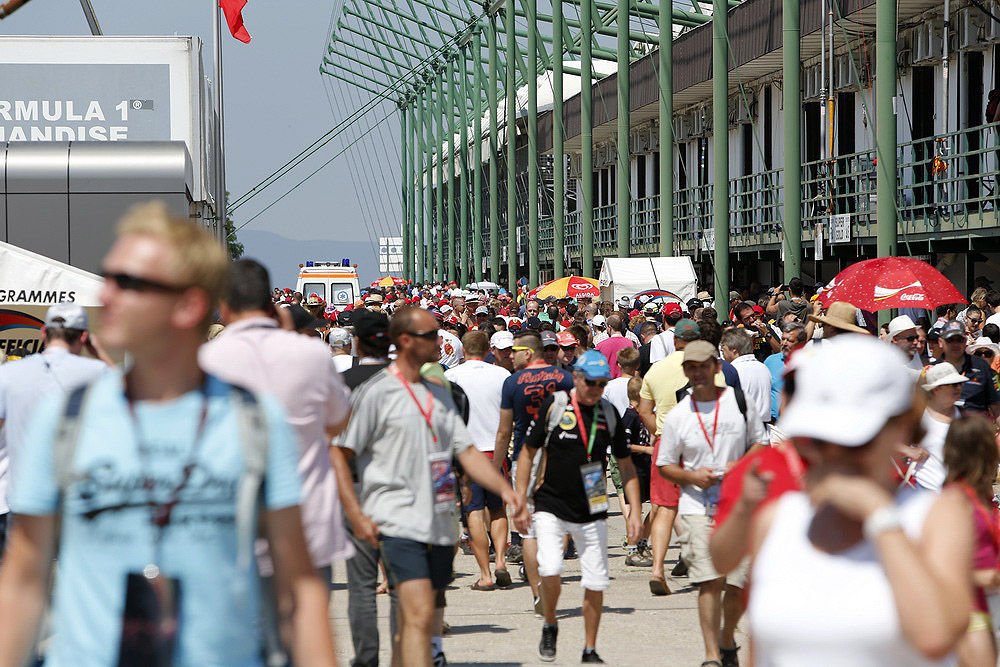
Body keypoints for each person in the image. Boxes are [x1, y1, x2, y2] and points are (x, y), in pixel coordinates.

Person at [0, 202, 336, 665]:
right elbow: (22, 580)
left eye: (128, 283)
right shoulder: (64, 421)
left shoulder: (253, 421)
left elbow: (299, 585)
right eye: (108, 275)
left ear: (189, 304)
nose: (108, 295)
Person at [748, 335, 973, 665]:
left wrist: (880, 516)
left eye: (854, 441)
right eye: (819, 439)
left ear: (901, 429)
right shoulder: (777, 520)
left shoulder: (937, 516)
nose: (834, 454)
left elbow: (936, 636)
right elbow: (760, 650)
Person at [334, 306, 524, 667]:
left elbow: (465, 452)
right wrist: (355, 514)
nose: (440, 341)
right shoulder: (376, 393)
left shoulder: (440, 393)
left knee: (422, 619)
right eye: (430, 335)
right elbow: (339, 455)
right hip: (396, 521)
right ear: (405, 341)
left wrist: (508, 491)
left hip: (439, 523)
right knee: (419, 613)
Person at [201, 258, 355, 666]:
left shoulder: (207, 362)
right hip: (309, 523)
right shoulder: (311, 354)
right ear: (271, 303)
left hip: (236, 529)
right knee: (307, 637)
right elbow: (339, 420)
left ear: (224, 305)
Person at [515, 351, 642, 664]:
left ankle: (589, 648)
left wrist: (635, 513)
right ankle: (550, 623)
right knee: (550, 568)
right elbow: (528, 454)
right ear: (577, 378)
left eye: (602, 384)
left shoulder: (608, 412)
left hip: (593, 502)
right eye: (591, 382)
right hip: (550, 502)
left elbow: (626, 468)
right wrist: (520, 497)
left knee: (596, 581)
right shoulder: (556, 405)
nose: (596, 389)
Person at [657, 341, 768, 667]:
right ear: (686, 372)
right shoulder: (679, 415)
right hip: (697, 507)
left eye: (704, 365)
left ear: (716, 367)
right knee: (710, 581)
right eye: (691, 367)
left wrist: (739, 467)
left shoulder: (738, 402)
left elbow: (761, 445)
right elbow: (665, 464)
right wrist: (692, 477)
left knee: (737, 583)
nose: (698, 372)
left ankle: (725, 637)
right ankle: (710, 656)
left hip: (738, 506)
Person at [0, 302, 110, 558]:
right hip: (76, 499)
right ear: (84, 337)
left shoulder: (8, 373)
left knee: (21, 585)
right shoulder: (98, 372)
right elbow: (133, 401)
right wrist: (100, 353)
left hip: (21, 497)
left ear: (44, 333)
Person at [330, 307, 393, 667]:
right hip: (399, 489)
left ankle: (366, 657)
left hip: (356, 487)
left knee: (361, 584)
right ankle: (406, 650)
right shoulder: (405, 380)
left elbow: (334, 439)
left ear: (356, 342)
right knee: (404, 579)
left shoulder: (343, 382)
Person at [496, 330, 574, 609]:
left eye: (515, 351)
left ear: (527, 353)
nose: (511, 356)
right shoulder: (564, 378)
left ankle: (537, 589)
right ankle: (549, 571)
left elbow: (505, 431)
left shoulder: (512, 382)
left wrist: (497, 467)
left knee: (528, 530)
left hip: (524, 459)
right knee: (561, 522)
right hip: (561, 457)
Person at [637, 318, 702, 596]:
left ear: (674, 340)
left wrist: (657, 431)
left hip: (666, 441)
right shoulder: (711, 367)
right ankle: (700, 561)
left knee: (664, 508)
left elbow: (643, 410)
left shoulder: (656, 370)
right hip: (700, 441)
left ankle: (657, 570)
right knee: (701, 506)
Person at [445, 331, 513, 590]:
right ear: (487, 350)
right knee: (497, 509)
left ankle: (485, 573)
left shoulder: (452, 376)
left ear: (463, 351)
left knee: (473, 510)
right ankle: (501, 561)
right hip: (496, 451)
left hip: (467, 452)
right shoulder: (502, 375)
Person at [943, 417, 1000, 667]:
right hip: (969, 611)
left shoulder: (981, 494)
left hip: (989, 605)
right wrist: (981, 577)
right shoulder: (954, 500)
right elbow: (934, 565)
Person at [898, 363, 966, 492]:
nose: (959, 388)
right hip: (924, 490)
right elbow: (887, 441)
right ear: (936, 389)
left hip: (956, 493)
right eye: (953, 384)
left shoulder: (964, 416)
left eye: (960, 384)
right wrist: (909, 451)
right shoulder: (918, 416)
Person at [934, 320, 1000, 420]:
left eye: (959, 339)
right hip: (943, 432)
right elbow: (920, 409)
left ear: (965, 341)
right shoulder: (931, 370)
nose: (955, 344)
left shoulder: (982, 367)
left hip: (976, 431)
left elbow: (996, 408)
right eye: (950, 340)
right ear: (940, 342)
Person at [720, 329, 772, 428]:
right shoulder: (763, 367)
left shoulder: (733, 371)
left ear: (734, 349)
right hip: (764, 428)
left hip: (745, 429)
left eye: (724, 348)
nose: (722, 352)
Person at [763, 322, 808, 423]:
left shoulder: (809, 363)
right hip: (774, 424)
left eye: (790, 340)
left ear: (802, 343)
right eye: (783, 339)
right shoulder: (770, 361)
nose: (784, 343)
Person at [595, 313, 636, 379]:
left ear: (609, 327)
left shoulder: (601, 345)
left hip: (607, 383)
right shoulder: (631, 344)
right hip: (627, 383)